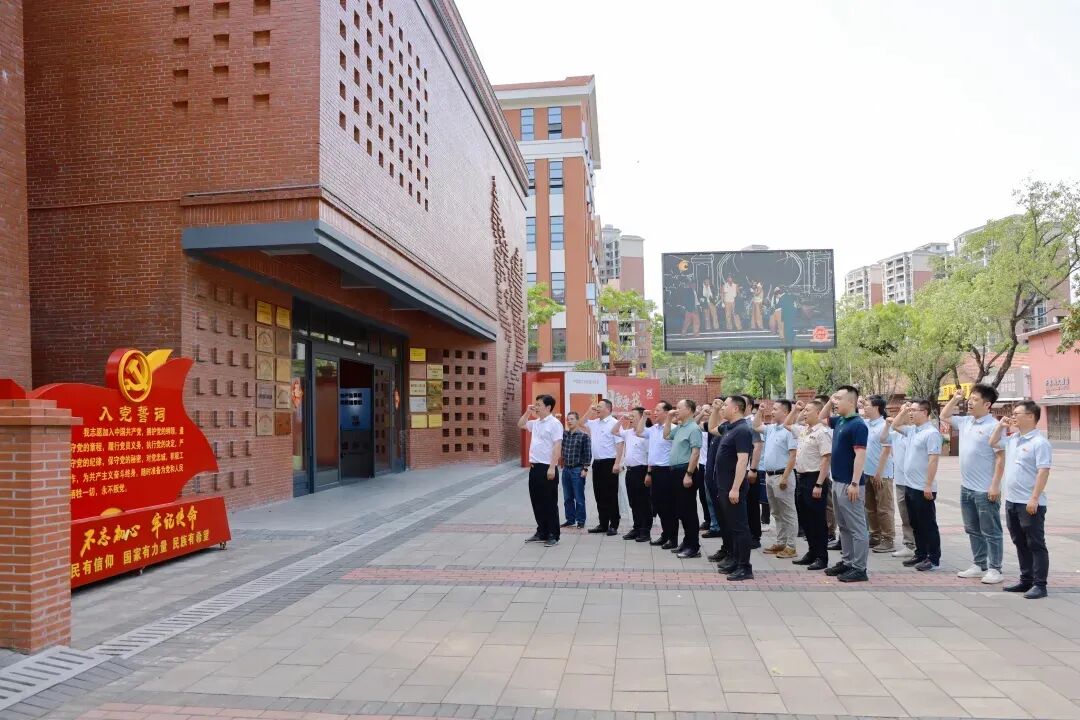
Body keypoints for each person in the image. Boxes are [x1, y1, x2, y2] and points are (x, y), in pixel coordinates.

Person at [941, 384, 1004, 584]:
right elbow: (944, 416)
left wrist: (995, 485)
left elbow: (1001, 457)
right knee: (972, 529)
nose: (970, 402)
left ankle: (995, 569)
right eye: (970, 398)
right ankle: (979, 564)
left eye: (975, 399)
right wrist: (955, 398)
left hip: (985, 490)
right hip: (966, 487)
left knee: (991, 531)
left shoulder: (994, 426)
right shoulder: (966, 421)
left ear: (987, 404)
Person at [990, 402, 1052, 599]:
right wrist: (1000, 426)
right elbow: (992, 442)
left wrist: (1034, 498)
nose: (1013, 416)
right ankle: (1026, 580)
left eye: (1017, 413)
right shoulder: (1013, 439)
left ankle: (1040, 585)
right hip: (1012, 501)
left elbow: (1043, 471)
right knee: (1019, 541)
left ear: (1031, 416)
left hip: (1029, 503)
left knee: (1035, 543)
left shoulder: (1039, 443)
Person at [818, 386, 869, 582]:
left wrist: (855, 482)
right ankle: (848, 562)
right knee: (844, 527)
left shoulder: (858, 425)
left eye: (839, 399)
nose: (835, 402)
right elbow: (821, 418)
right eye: (835, 398)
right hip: (837, 481)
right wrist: (830, 401)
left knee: (857, 528)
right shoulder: (840, 421)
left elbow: (860, 455)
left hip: (850, 484)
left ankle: (859, 568)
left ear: (851, 402)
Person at [892, 400, 943, 571]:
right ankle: (920, 554)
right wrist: (904, 410)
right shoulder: (912, 430)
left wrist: (928, 484)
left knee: (928, 524)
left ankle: (933, 559)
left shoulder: (931, 433)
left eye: (914, 410)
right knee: (915, 523)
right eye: (910, 410)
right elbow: (895, 425)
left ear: (925, 412)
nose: (910, 413)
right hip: (910, 485)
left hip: (923, 487)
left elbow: (933, 460)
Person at [784, 399, 832, 570]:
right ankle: (812, 552)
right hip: (802, 478)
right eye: (804, 411)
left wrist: (819, 484)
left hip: (815, 478)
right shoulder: (804, 430)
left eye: (807, 410)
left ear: (818, 413)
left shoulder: (822, 432)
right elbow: (787, 424)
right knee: (805, 518)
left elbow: (826, 459)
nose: (804, 413)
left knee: (817, 519)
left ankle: (821, 557)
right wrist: (795, 410)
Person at [715, 396, 755, 581]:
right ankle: (737, 561)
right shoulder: (730, 428)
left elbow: (742, 460)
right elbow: (712, 427)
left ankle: (745, 567)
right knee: (732, 526)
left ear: (736, 408)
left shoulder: (742, 430)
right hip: (725, 485)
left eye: (725, 405)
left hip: (733, 486)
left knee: (740, 527)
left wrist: (735, 488)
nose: (723, 408)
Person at [753, 400, 798, 558]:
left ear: (785, 412)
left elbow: (793, 456)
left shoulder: (790, 431)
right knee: (776, 512)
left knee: (788, 512)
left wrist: (785, 477)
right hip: (770, 476)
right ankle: (781, 542)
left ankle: (791, 547)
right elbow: (756, 426)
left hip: (782, 476)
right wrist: (760, 411)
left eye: (776, 409)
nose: (772, 411)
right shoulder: (771, 428)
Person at [517, 395, 563, 547]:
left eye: (538, 405)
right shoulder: (536, 423)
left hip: (547, 467)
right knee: (537, 501)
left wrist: (552, 467)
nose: (536, 407)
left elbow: (557, 446)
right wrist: (527, 412)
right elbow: (521, 424)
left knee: (549, 502)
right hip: (535, 467)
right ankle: (541, 531)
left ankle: (553, 534)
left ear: (548, 407)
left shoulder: (555, 424)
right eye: (535, 404)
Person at [664, 399, 703, 558]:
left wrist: (689, 474)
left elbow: (695, 453)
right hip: (675, 472)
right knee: (680, 509)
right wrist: (668, 418)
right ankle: (687, 542)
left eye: (679, 408)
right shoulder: (680, 427)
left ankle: (693, 546)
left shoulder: (694, 428)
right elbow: (666, 435)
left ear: (689, 410)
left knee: (689, 511)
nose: (676, 410)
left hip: (685, 471)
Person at [583, 400, 624, 536]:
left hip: (610, 463)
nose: (597, 408)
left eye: (599, 406)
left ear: (608, 408)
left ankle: (614, 524)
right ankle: (603, 523)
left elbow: (619, 444)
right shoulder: (594, 422)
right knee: (599, 494)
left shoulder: (614, 423)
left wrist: (617, 463)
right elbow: (581, 423)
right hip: (597, 463)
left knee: (610, 494)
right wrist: (589, 411)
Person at [861, 395, 896, 554]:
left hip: (882, 474)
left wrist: (879, 473)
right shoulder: (866, 424)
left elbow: (886, 450)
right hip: (867, 472)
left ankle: (888, 539)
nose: (864, 408)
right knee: (870, 507)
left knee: (884, 508)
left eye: (867, 405)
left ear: (876, 407)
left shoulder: (885, 425)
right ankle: (875, 535)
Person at [640, 401, 675, 547]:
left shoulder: (673, 428)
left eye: (658, 410)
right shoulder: (653, 429)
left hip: (667, 471)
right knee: (658, 505)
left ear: (666, 413)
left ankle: (672, 538)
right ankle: (665, 535)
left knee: (668, 506)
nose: (654, 413)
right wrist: (643, 417)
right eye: (654, 410)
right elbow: (639, 432)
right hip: (655, 471)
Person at [880, 416, 917, 558]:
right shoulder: (896, 434)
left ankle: (921, 545)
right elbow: (883, 439)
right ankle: (909, 544)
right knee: (905, 515)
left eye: (911, 412)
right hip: (901, 481)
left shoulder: (915, 432)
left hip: (915, 482)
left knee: (917, 515)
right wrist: (887, 425)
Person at [614, 407, 651, 541]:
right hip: (630, 471)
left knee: (643, 503)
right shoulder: (628, 432)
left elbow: (650, 455)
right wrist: (621, 419)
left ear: (641, 418)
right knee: (633, 502)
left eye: (633, 416)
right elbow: (614, 431)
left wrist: (649, 473)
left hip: (642, 471)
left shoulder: (646, 434)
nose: (631, 418)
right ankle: (636, 528)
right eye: (630, 415)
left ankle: (645, 531)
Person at [559, 412, 591, 529]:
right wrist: (557, 419)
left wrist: (585, 468)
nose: (569, 421)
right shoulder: (565, 435)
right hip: (566, 469)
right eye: (568, 419)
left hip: (578, 469)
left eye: (572, 419)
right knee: (567, 497)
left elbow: (588, 454)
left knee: (579, 497)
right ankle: (570, 519)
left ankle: (581, 520)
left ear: (577, 421)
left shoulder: (584, 436)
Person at [697, 405, 722, 539]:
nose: (709, 412)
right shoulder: (708, 426)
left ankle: (719, 526)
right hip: (706, 466)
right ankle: (713, 524)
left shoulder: (725, 427)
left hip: (719, 470)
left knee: (717, 499)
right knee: (707, 498)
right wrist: (701, 413)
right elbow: (694, 424)